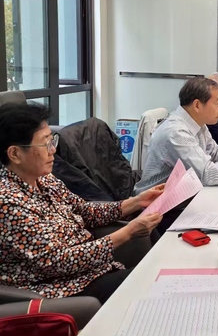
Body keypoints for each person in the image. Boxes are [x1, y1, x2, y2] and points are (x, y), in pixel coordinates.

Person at [0, 103, 163, 304]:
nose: (53, 150)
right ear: (15, 154)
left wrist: (136, 202)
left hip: (89, 271)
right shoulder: (8, 203)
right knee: (150, 283)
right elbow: (57, 262)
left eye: (52, 140)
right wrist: (128, 232)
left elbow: (84, 210)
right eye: (45, 144)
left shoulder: (44, 179)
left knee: (155, 273)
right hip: (59, 288)